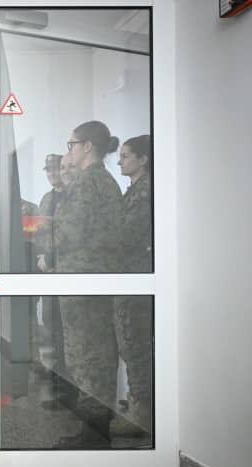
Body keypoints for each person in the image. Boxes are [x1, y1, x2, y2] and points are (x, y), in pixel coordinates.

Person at [55, 120, 123, 448]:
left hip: (82, 282)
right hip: (93, 279)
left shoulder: (87, 183)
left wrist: (37, 232)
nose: (69, 151)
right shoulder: (105, 182)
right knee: (96, 354)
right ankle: (95, 432)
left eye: (71, 144)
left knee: (86, 357)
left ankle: (94, 437)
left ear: (88, 147)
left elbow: (69, 231)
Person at [113, 134, 153, 439]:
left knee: (135, 345)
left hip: (137, 279)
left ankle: (143, 414)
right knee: (130, 344)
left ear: (143, 159)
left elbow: (126, 235)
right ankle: (140, 406)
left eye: (126, 156)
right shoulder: (134, 190)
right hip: (127, 276)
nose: (120, 160)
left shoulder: (146, 192)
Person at [35, 154, 78, 411]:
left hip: (70, 273)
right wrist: (43, 257)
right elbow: (41, 232)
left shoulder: (74, 196)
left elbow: (72, 236)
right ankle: (57, 384)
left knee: (70, 335)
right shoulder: (47, 199)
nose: (52, 173)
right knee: (52, 330)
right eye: (48, 169)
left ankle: (72, 389)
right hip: (48, 274)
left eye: (56, 169)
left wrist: (52, 258)